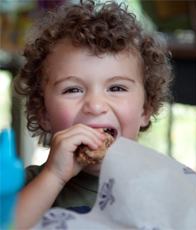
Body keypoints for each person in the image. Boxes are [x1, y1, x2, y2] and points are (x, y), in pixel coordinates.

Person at [12, 0, 173, 228]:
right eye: (73, 89)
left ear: (145, 110)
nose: (96, 106)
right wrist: (54, 176)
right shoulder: (26, 187)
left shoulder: (165, 188)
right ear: (44, 114)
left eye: (116, 88)